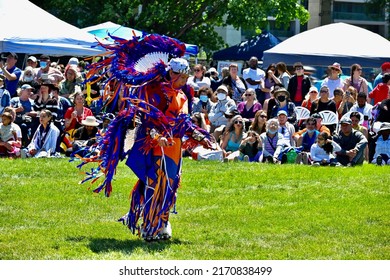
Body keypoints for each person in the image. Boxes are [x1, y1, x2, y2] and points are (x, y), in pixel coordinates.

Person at [77, 35, 214, 242]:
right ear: (172, 74)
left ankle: (164, 222)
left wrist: (198, 136)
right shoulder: (151, 91)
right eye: (182, 78)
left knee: (170, 185)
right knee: (154, 183)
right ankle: (150, 226)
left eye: (186, 79)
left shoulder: (183, 96)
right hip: (154, 146)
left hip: (173, 148)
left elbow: (183, 121)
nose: (185, 82)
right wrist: (156, 136)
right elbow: (147, 118)